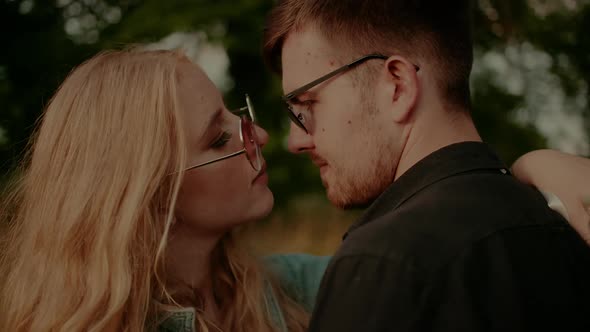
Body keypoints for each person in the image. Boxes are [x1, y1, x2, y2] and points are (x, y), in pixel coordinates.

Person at [263, 1, 590, 331]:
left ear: (397, 86)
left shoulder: (382, 265)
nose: (296, 141)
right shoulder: (566, 223)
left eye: (306, 105)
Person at [0, 48, 330, 332]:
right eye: (217, 140)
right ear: (149, 195)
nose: (259, 134)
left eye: (236, 115)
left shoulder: (301, 288)